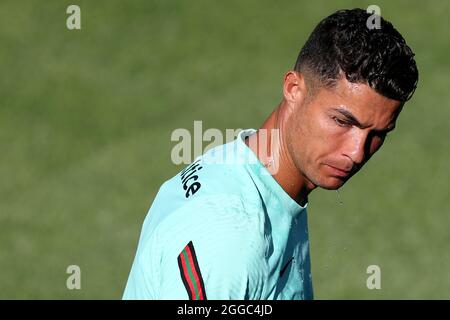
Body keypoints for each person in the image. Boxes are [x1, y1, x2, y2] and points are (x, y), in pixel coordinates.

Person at [123, 8, 418, 300]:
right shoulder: (232, 238)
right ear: (293, 88)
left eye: (378, 134)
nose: (356, 153)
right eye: (342, 122)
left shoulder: (254, 174)